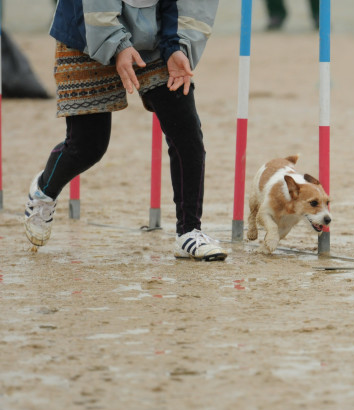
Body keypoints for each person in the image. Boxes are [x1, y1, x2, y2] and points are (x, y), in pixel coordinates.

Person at [23, 0, 227, 262]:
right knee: (88, 146)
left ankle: (189, 232)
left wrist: (179, 45)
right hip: (87, 24)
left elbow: (194, 8)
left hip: (158, 28)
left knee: (186, 132)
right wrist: (118, 45)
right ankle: (44, 191)